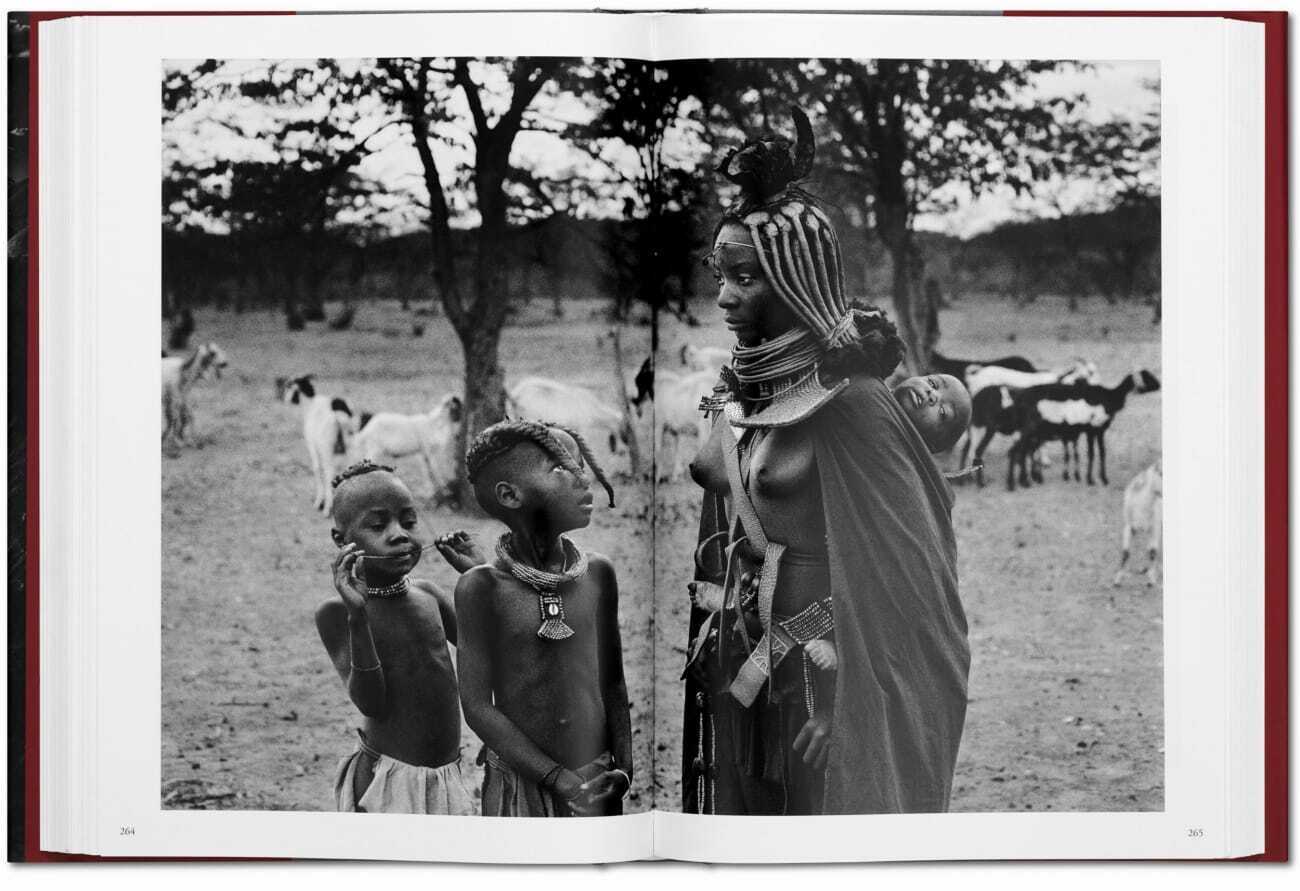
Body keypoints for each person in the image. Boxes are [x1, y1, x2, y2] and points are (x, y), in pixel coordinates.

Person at [681, 109, 971, 816]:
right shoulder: (752, 394)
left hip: (832, 684)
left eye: (745, 278)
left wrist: (851, 706)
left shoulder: (856, 405)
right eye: (721, 274)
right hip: (753, 663)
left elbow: (918, 589)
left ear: (796, 277)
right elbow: (721, 501)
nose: (724, 296)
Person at [455, 420, 633, 817]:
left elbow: (613, 682)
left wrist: (622, 771)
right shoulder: (481, 588)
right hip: (522, 785)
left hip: (598, 779)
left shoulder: (598, 574)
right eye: (560, 468)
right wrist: (557, 779)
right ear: (510, 495)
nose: (582, 479)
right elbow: (478, 707)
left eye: (581, 467)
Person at [315, 460, 481, 815]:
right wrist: (358, 616)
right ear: (341, 540)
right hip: (388, 785)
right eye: (378, 525)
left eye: (408, 522)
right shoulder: (338, 613)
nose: (399, 534)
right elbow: (371, 704)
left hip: (446, 778)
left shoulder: (429, 595)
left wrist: (479, 579)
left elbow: (485, 655)